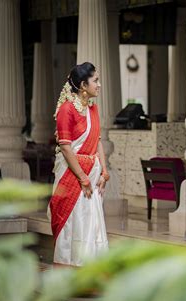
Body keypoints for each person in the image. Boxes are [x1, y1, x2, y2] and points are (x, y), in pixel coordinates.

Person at [48, 62, 110, 266]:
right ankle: (69, 272)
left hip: (92, 177)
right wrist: (82, 178)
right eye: (96, 81)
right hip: (73, 177)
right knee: (73, 221)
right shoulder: (67, 110)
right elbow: (66, 147)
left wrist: (104, 172)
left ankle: (92, 274)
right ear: (83, 85)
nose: (99, 85)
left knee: (92, 223)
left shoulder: (93, 109)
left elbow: (97, 140)